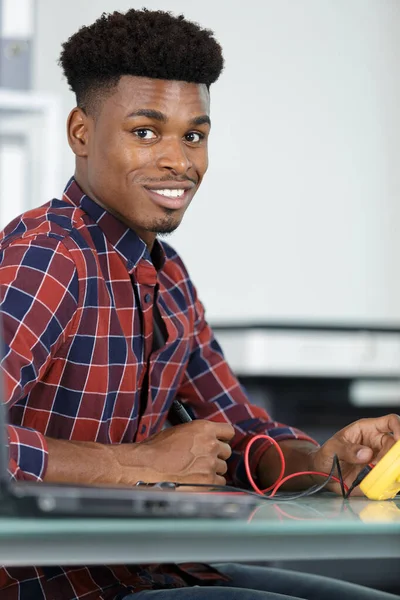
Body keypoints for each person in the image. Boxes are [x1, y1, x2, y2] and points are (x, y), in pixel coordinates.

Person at [0, 8, 399, 600]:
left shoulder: (170, 278)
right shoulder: (49, 258)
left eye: (194, 135)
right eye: (145, 132)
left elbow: (240, 438)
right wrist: (140, 463)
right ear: (81, 132)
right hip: (60, 586)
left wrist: (325, 463)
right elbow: (161, 463)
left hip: (153, 571)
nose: (179, 161)